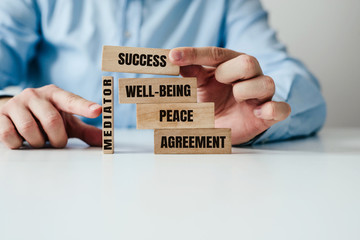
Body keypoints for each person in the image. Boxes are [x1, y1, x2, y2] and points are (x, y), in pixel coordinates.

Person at [0, 0, 326, 149]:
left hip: (190, 187)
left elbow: (299, 87)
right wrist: (7, 105)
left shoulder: (230, 3)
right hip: (53, 177)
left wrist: (261, 111)